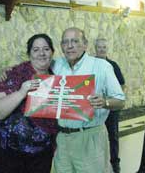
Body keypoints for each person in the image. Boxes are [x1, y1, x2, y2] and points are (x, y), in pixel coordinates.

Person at [53, 27, 125, 173]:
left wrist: (105, 102)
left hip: (90, 136)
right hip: (62, 139)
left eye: (75, 41)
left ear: (85, 44)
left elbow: (120, 101)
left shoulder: (101, 66)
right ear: (61, 46)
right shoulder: (56, 66)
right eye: (65, 42)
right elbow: (34, 68)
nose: (70, 45)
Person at [0, 34, 58, 173]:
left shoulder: (57, 76)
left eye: (46, 49)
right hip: (9, 154)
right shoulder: (15, 75)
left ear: (52, 52)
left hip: (42, 154)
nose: (42, 53)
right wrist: (21, 92)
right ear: (29, 54)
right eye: (36, 49)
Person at [95, 38, 126, 173]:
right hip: (96, 107)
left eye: (104, 47)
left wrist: (113, 100)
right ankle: (97, 161)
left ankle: (115, 163)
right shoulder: (91, 64)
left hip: (111, 107)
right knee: (95, 135)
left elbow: (122, 85)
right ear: (95, 48)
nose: (102, 49)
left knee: (113, 135)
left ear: (107, 49)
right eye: (99, 47)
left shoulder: (113, 65)